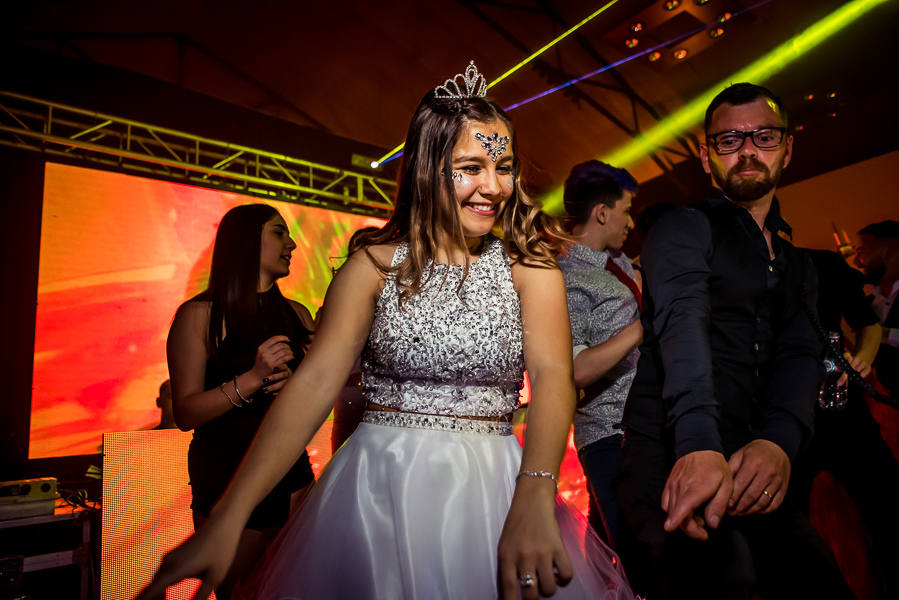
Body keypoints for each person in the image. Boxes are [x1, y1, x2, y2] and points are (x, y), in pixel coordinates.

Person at [139, 62, 634, 600]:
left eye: (504, 167)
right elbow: (311, 387)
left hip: (490, 489)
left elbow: (556, 376)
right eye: (471, 167)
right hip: (376, 491)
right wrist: (228, 517)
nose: (494, 186)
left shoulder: (530, 269)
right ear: (428, 170)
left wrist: (535, 496)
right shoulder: (371, 268)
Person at [616, 82, 854, 599]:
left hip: (752, 459)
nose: (747, 150)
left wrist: (780, 442)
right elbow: (683, 321)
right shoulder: (682, 228)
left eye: (763, 137)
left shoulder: (800, 264)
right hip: (676, 448)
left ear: (787, 148)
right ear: (707, 157)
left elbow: (798, 355)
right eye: (729, 141)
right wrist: (699, 444)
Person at [165, 203, 316, 599]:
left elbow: (318, 404)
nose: (292, 244)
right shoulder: (198, 316)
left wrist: (296, 387)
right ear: (247, 240)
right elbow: (185, 412)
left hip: (293, 475)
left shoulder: (298, 316)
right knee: (240, 593)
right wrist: (250, 380)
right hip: (226, 473)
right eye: (278, 233)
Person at [792, 247, 898, 597]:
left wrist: (863, 363)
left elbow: (866, 324)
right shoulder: (728, 271)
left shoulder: (821, 263)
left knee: (888, 512)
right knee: (797, 543)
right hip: (784, 425)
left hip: (842, 412)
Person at [558, 160, 642, 553]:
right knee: (633, 555)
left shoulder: (622, 264)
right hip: (609, 435)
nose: (631, 223)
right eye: (627, 211)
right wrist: (642, 328)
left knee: (609, 548)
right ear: (603, 212)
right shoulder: (566, 277)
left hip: (641, 429)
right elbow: (575, 370)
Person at [855, 220, 899, 397]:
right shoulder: (870, 301)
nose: (857, 261)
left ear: (888, 252)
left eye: (861, 252)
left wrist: (882, 334)